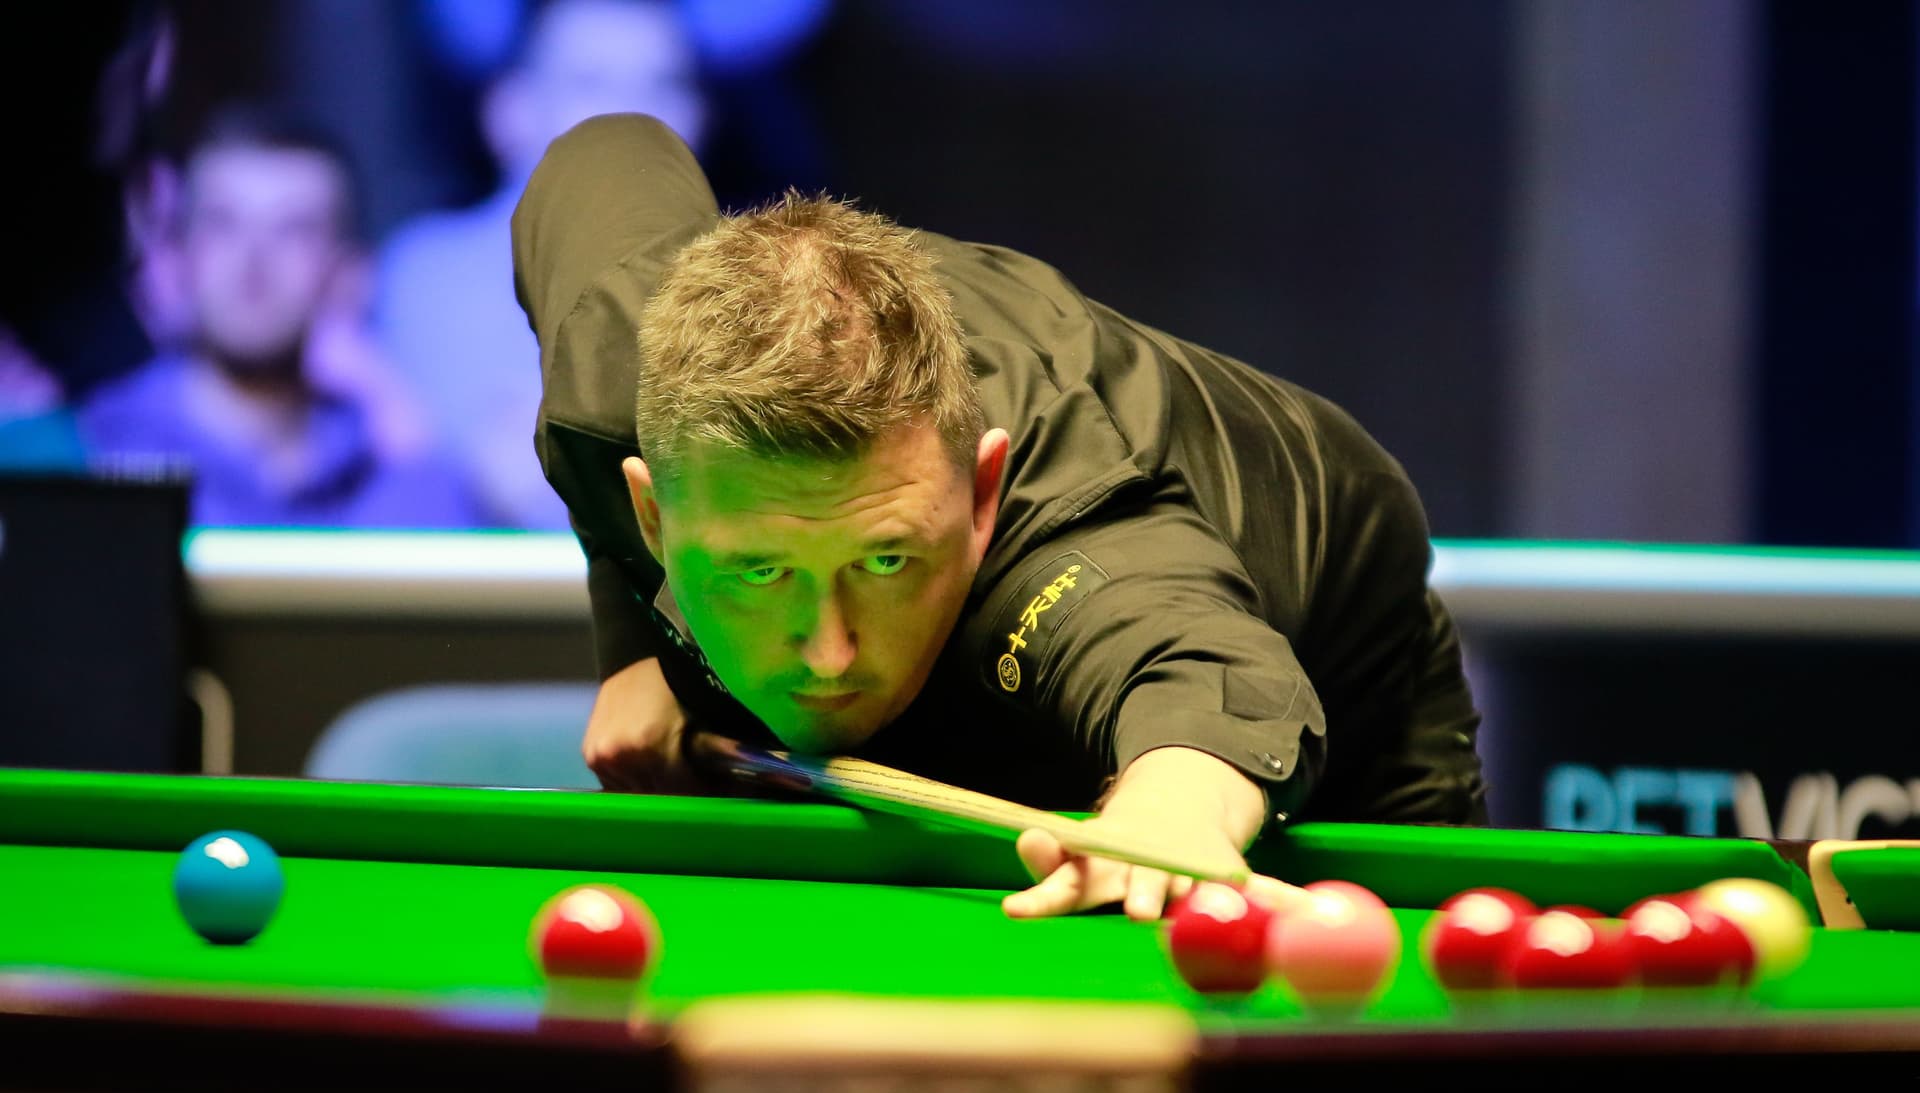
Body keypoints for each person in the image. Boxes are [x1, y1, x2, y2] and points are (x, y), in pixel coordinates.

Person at [513, 113, 1487, 919]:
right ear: (652, 509)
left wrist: (1172, 805)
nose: (829, 653)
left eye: (886, 561)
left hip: (1338, 660)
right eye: (759, 570)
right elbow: (606, 149)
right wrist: (634, 636)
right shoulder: (608, 381)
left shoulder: (1066, 517)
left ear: (983, 492)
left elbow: (1200, 665)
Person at [377, 0, 707, 529]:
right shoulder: (429, 276)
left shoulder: (741, 286)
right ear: (511, 112)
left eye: (664, 85)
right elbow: (460, 483)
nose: (636, 117)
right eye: (590, 82)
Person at [79, 108, 480, 529]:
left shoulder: (386, 471)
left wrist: (393, 407)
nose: (252, 260)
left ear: (349, 275)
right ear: (180, 256)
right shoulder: (91, 449)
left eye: (294, 230)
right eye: (223, 223)